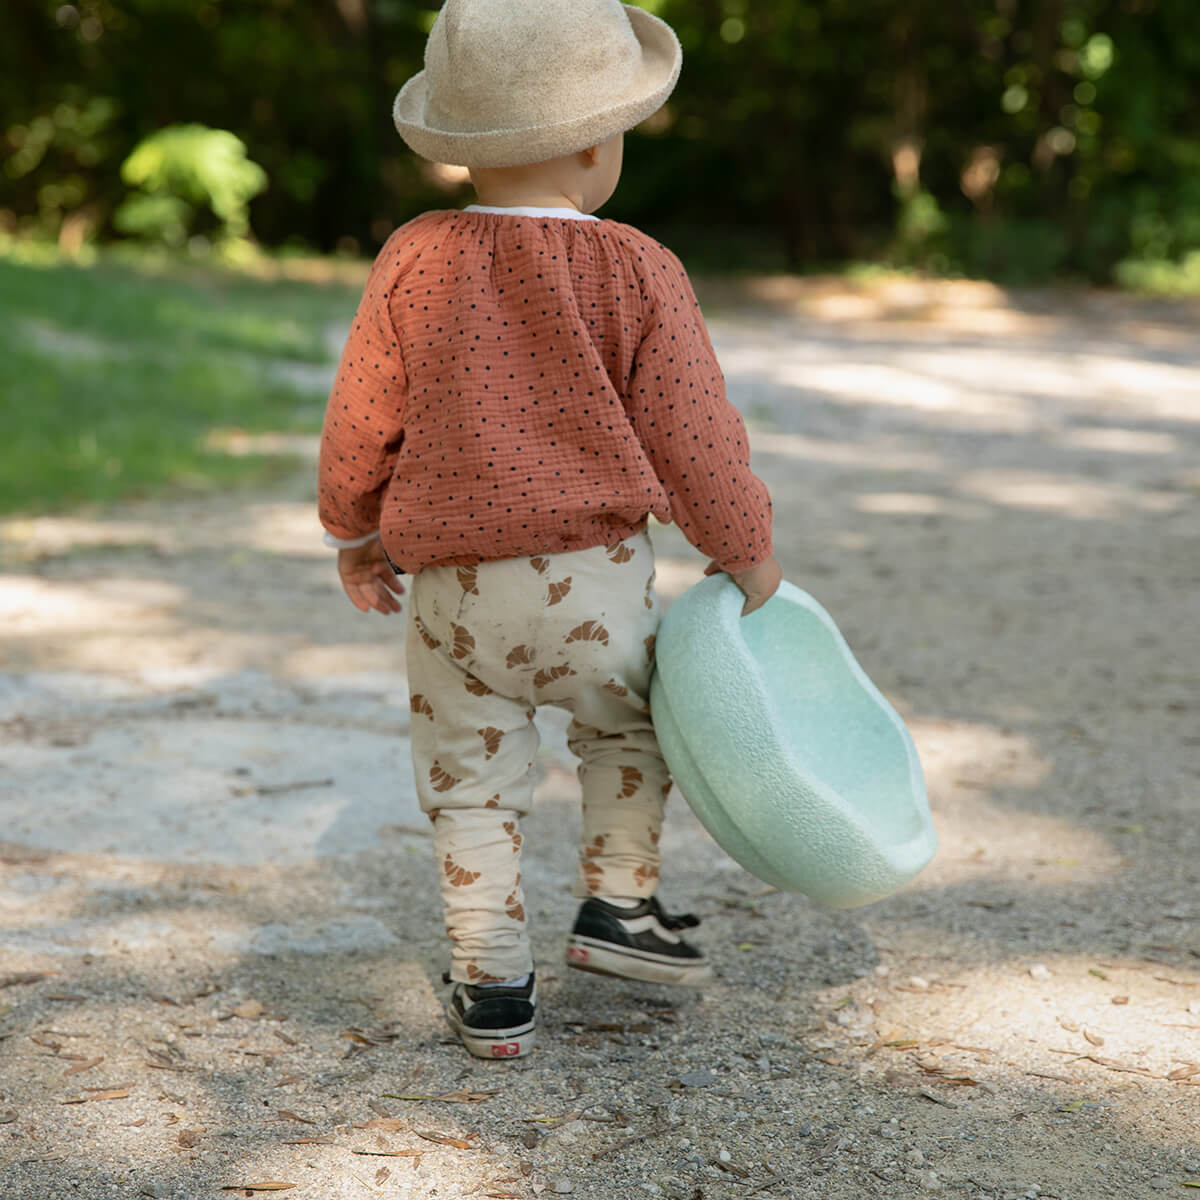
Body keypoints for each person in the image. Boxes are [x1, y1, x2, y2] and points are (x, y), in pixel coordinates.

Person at [317, 0, 780, 1060]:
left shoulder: (415, 256)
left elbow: (363, 413)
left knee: (470, 780)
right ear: (590, 141)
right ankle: (620, 905)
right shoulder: (637, 266)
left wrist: (353, 528)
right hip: (596, 579)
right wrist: (744, 546)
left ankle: (491, 984)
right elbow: (693, 433)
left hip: (453, 598)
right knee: (627, 728)